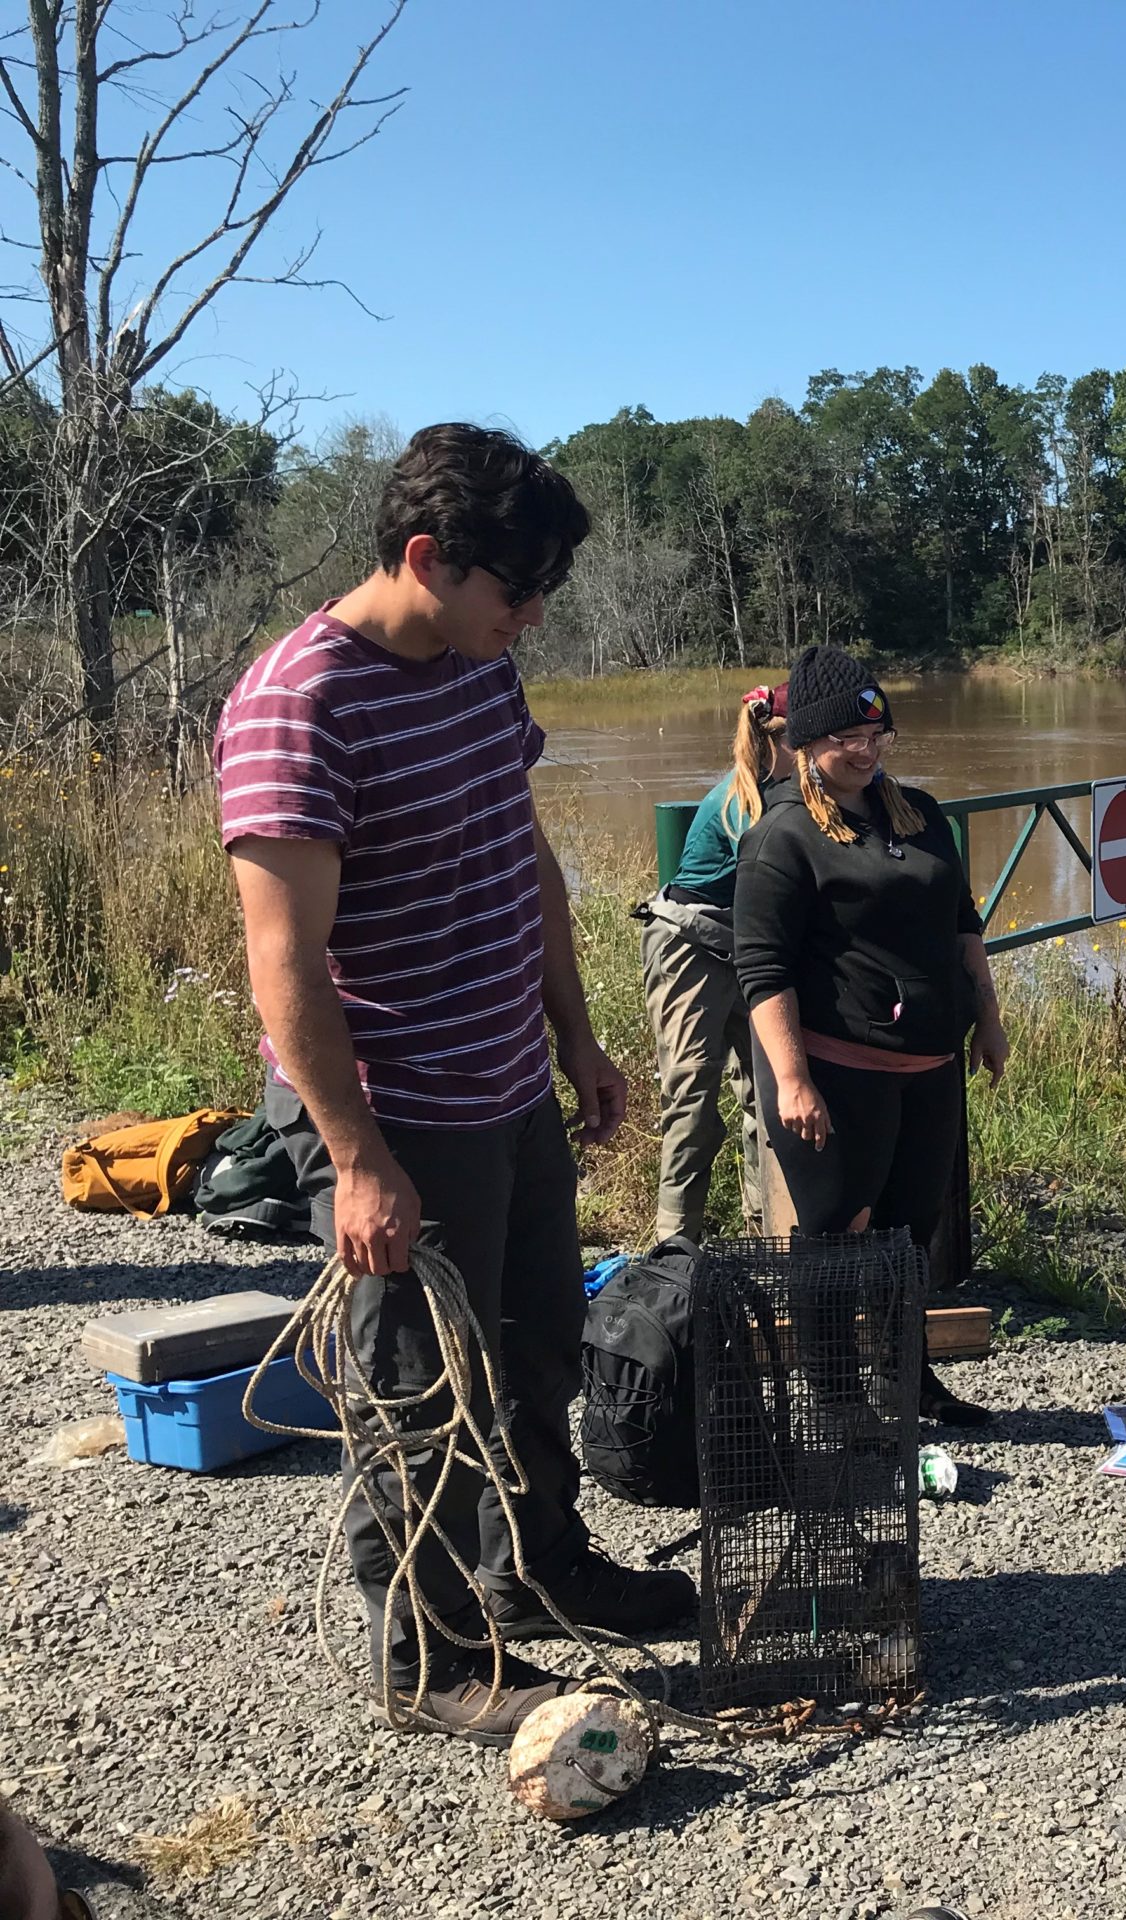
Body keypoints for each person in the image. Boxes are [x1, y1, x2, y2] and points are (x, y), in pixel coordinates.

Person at [216, 424, 695, 1745]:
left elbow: (525, 865)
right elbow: (283, 957)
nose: (532, 617)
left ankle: (536, 1571)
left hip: (507, 1086)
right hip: (397, 1108)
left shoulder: (481, 670)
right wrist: (358, 1156)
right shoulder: (297, 703)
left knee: (540, 1348)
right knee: (421, 1391)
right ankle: (420, 1656)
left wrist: (578, 1041)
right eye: (516, 591)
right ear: (428, 559)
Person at [732, 646, 1007, 1426]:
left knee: (910, 1230)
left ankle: (904, 1375)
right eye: (847, 737)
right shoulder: (782, 835)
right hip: (835, 1066)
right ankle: (836, 1396)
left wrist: (987, 1021)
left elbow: (964, 925)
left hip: (929, 1062)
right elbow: (762, 969)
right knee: (837, 1235)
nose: (866, 749)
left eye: (877, 731)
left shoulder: (918, 814)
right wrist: (791, 1080)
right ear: (805, 742)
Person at [636, 683, 790, 1242]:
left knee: (767, 1097)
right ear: (779, 741)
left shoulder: (785, 791)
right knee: (692, 1100)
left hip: (740, 947)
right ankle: (674, 1248)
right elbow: (774, 894)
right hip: (688, 949)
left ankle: (767, 1234)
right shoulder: (742, 803)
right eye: (809, 740)